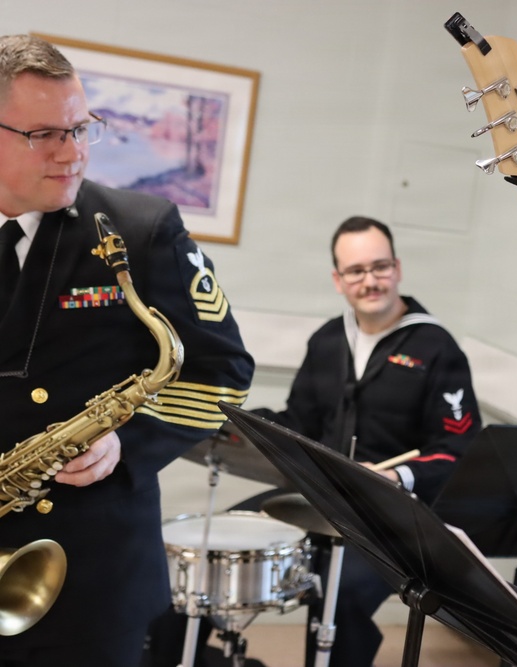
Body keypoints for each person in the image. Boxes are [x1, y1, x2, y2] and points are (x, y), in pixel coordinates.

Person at [0, 34, 254, 667]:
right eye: (44, 135)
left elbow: (223, 372)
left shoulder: (142, 231)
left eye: (80, 128)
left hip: (88, 574)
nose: (72, 153)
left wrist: (125, 443)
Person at [148, 215, 482, 667]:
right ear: (338, 279)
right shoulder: (327, 340)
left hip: (393, 517)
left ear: (398, 268)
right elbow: (299, 422)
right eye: (356, 271)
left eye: (380, 267)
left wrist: (395, 476)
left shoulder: (437, 348)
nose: (370, 281)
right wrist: (240, 426)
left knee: (339, 593)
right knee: (208, 549)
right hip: (317, 496)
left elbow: (457, 451)